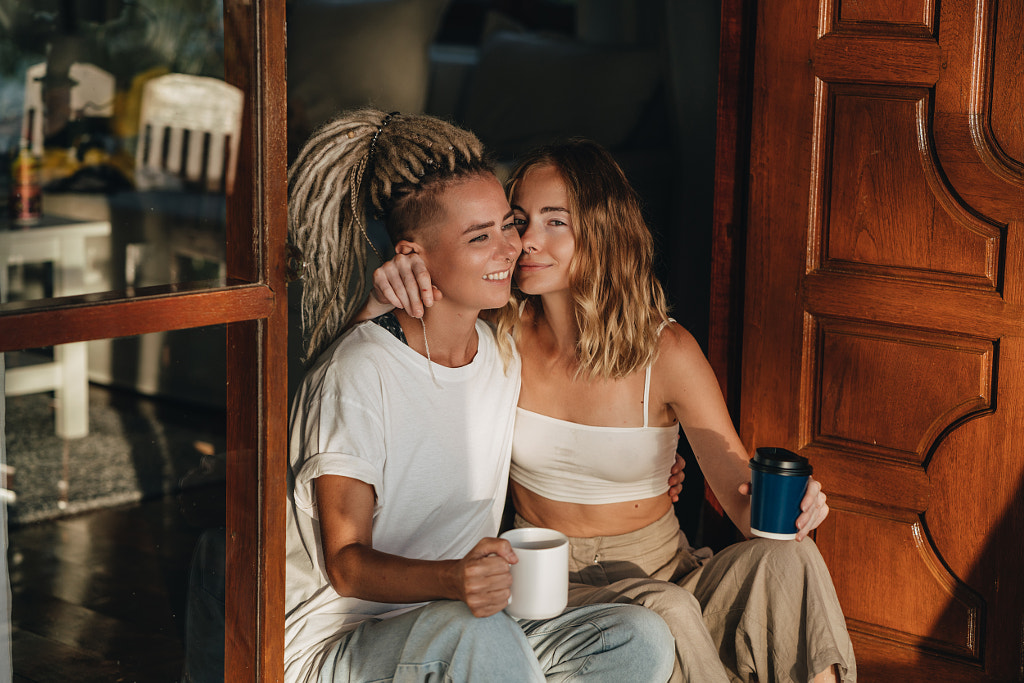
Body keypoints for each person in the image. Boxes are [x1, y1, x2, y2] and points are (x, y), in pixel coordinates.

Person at [366, 139, 858, 682]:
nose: (526, 242)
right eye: (519, 221)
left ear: (603, 230)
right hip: (553, 583)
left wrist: (795, 510)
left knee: (793, 559)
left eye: (556, 222)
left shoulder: (666, 352)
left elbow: (742, 500)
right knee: (666, 614)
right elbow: (377, 367)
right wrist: (382, 300)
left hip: (667, 571)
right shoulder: (496, 340)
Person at [285, 112, 675, 683]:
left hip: (466, 620)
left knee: (638, 638)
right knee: (476, 632)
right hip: (348, 642)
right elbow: (348, 567)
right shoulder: (358, 372)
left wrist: (651, 466)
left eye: (507, 225)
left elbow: (566, 435)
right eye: (480, 237)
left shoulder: (501, 355)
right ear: (410, 256)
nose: (512, 248)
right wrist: (453, 580)